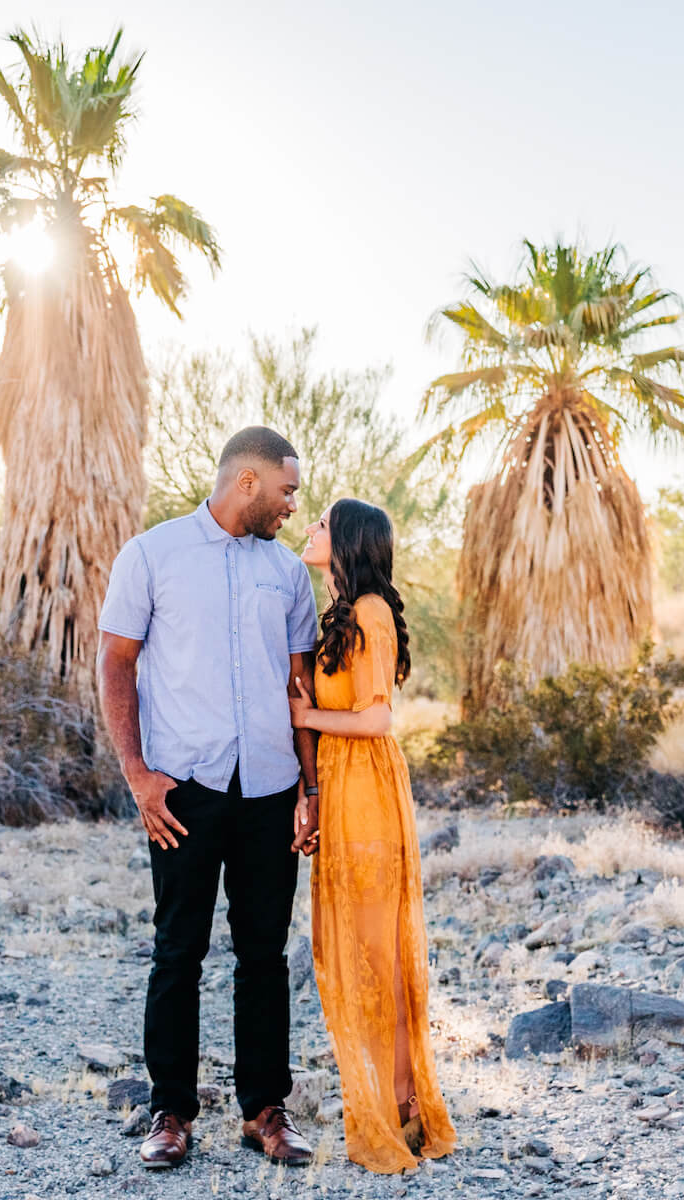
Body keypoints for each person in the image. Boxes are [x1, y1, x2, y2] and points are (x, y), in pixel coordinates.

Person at [96, 426, 323, 1170]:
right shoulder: (152, 555)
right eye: (287, 490)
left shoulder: (288, 572)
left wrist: (310, 787)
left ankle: (265, 1112)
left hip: (269, 789)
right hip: (183, 791)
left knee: (264, 956)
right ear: (247, 482)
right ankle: (171, 1112)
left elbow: (299, 689)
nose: (293, 505)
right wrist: (137, 773)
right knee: (177, 952)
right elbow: (116, 662)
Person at [289, 498, 458, 1173]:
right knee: (359, 950)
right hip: (341, 790)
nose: (309, 529)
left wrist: (307, 715)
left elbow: (376, 720)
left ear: (349, 541)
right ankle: (394, 1104)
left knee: (377, 955)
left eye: (321, 523)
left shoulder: (371, 612)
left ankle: (401, 1106)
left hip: (367, 793)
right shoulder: (343, 612)